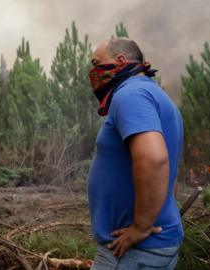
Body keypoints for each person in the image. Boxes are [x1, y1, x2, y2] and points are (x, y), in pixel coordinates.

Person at [87, 38, 183, 269]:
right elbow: (170, 169)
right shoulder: (151, 93)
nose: (93, 72)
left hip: (133, 252)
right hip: (148, 249)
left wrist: (141, 227)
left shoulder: (131, 94)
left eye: (97, 63)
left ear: (120, 61)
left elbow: (154, 159)